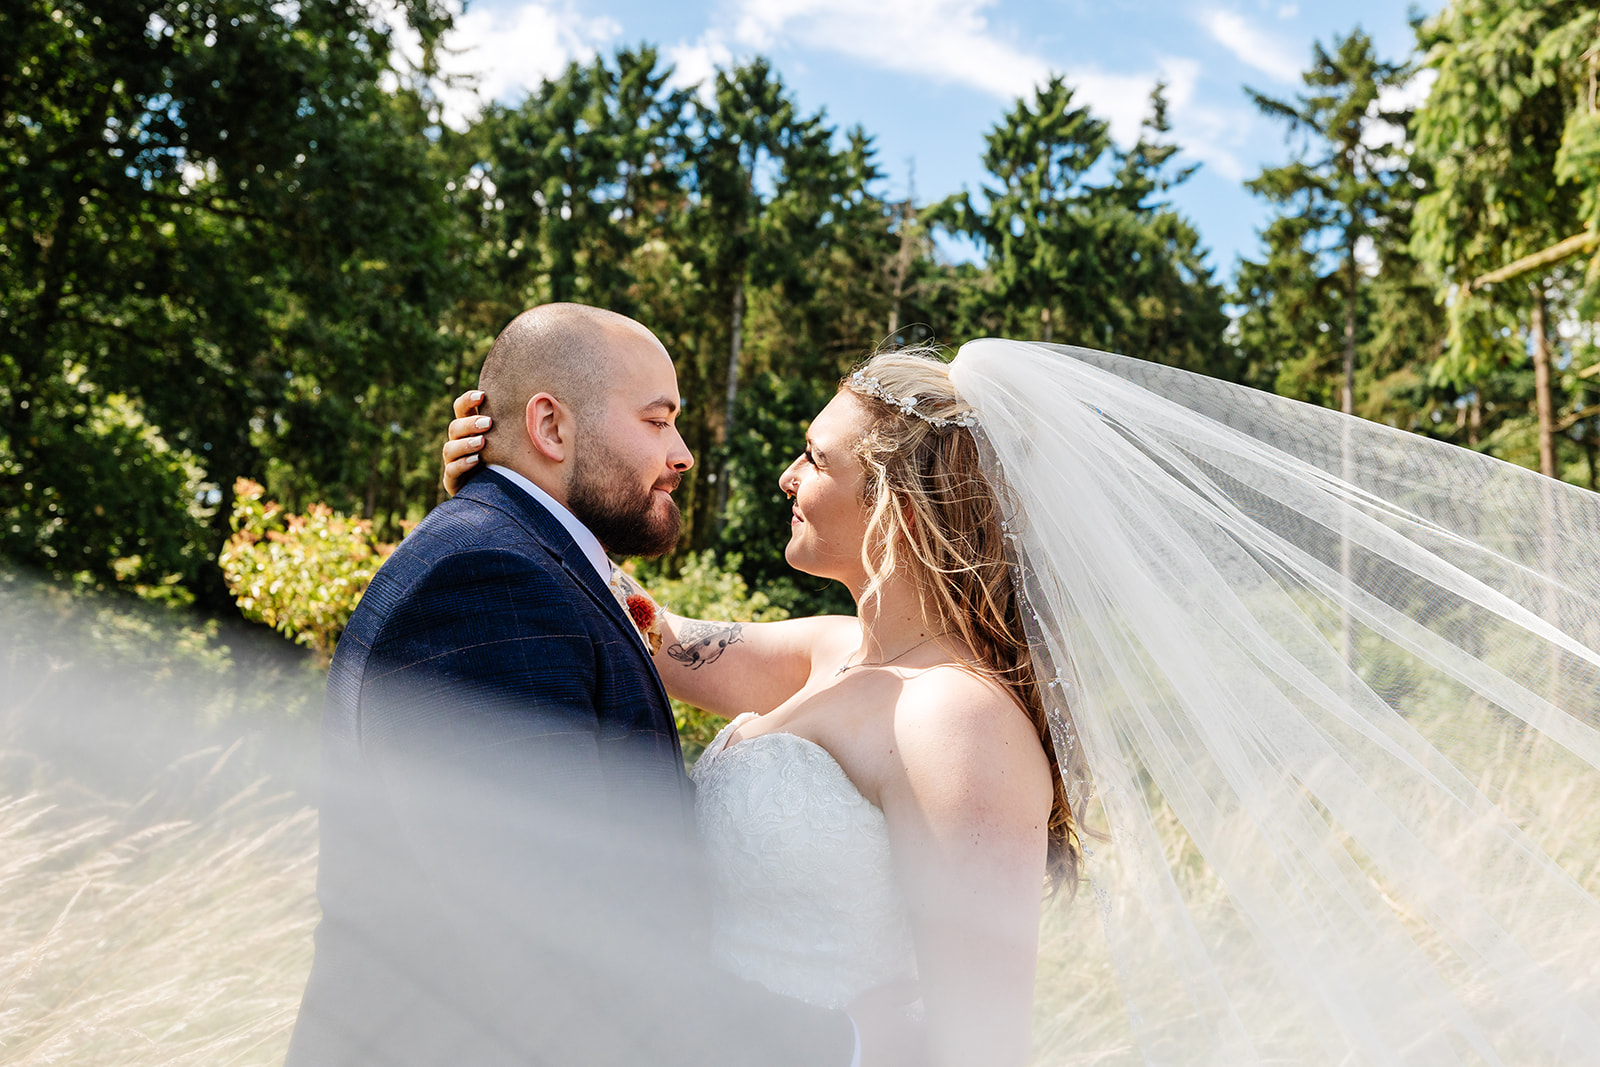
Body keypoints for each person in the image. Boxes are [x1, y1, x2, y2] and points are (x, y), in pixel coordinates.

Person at [446, 336, 1600, 1065]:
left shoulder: (962, 724)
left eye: (813, 457)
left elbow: (980, 1040)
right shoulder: (821, 652)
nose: (788, 476)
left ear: (892, 500)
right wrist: (508, 494)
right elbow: (638, 627)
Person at [288, 303, 902, 1067]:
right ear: (551, 427)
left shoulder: (516, 568)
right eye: (658, 420)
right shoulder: (485, 583)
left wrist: (515, 492)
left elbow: (646, 626)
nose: (682, 453)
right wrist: (848, 1042)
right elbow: (559, 949)